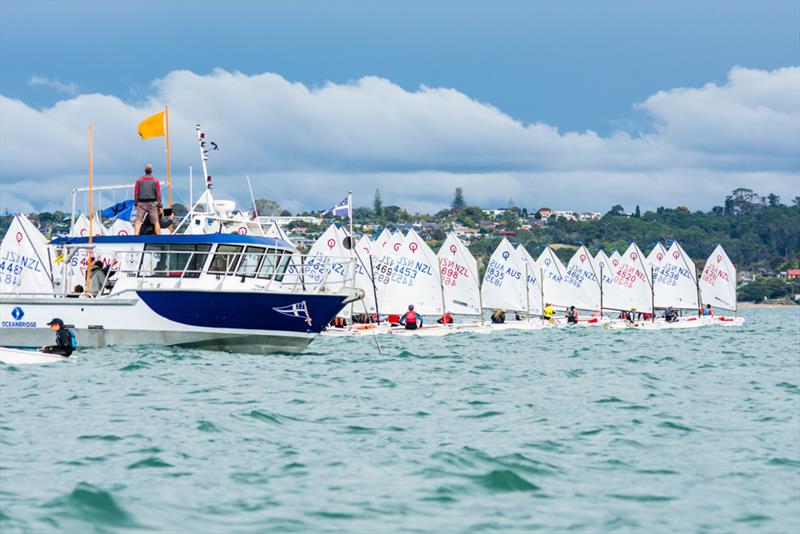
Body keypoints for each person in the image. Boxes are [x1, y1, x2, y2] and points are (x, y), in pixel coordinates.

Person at [134, 163, 163, 235]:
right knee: (156, 222)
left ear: (145, 170)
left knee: (138, 221)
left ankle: (135, 237)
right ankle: (159, 237)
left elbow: (136, 192)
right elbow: (158, 194)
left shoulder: (139, 180)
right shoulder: (155, 180)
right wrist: (160, 205)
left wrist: (136, 203)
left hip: (141, 203)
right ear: (151, 171)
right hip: (152, 203)